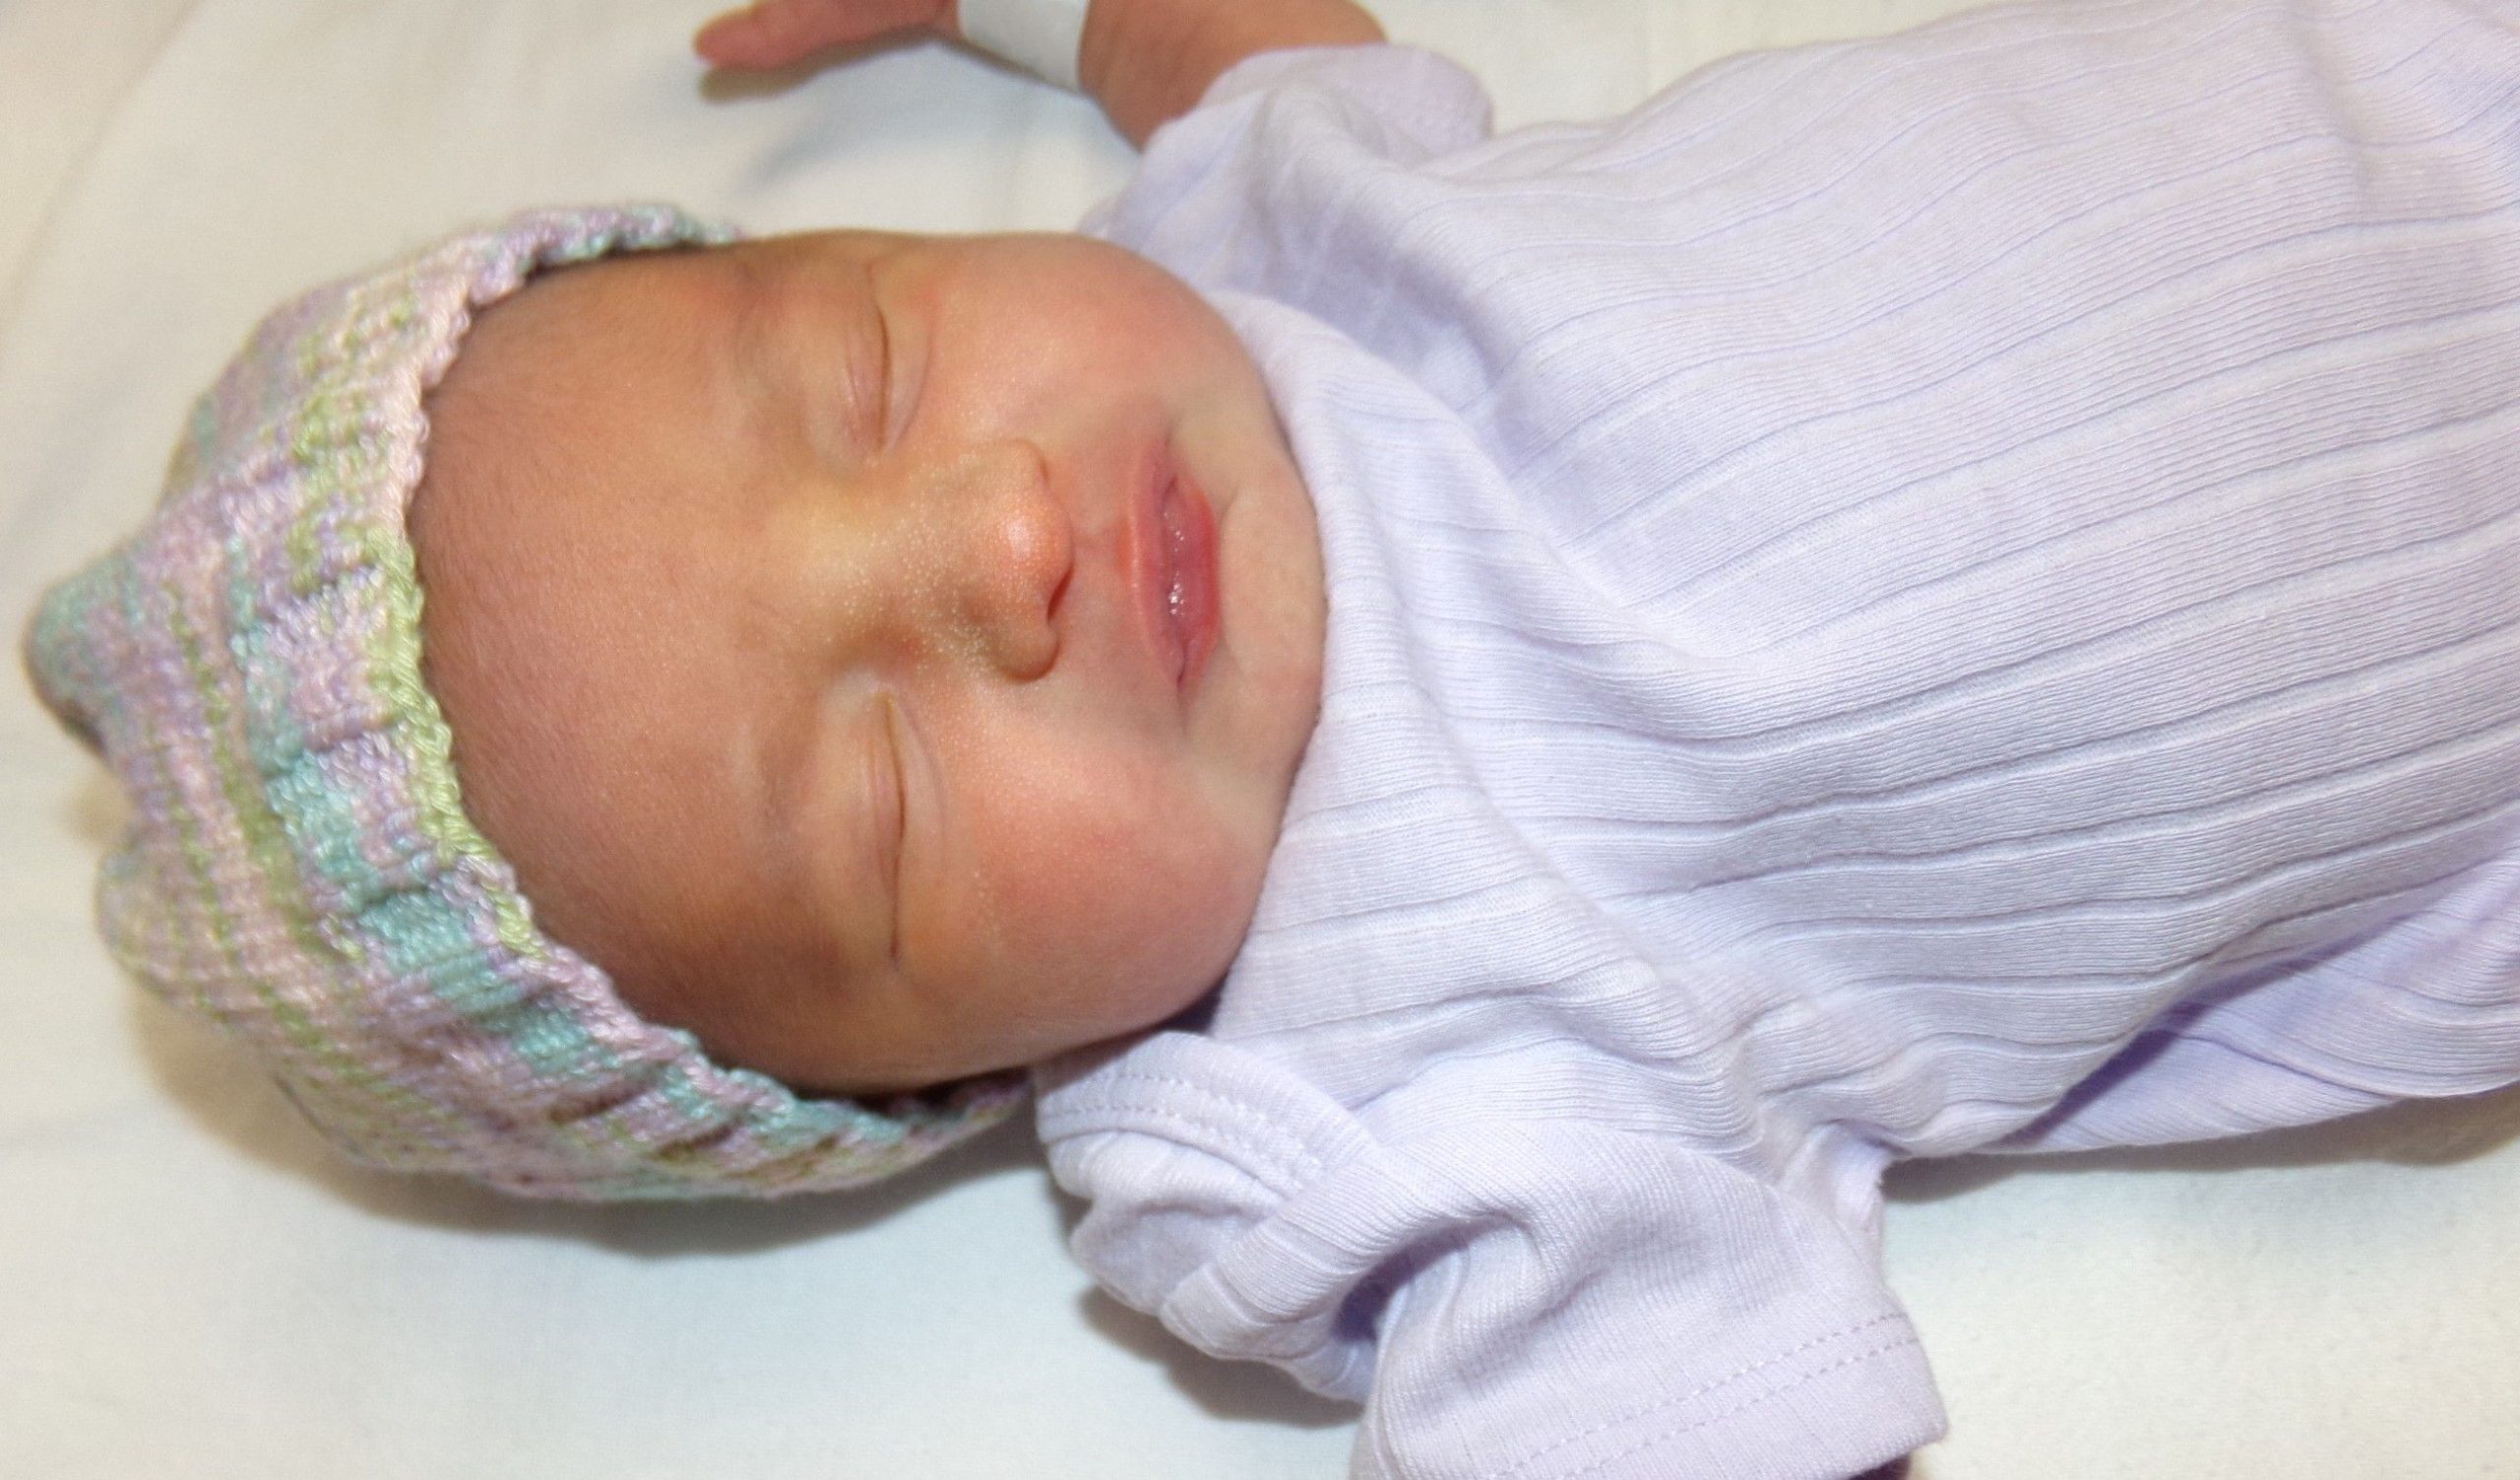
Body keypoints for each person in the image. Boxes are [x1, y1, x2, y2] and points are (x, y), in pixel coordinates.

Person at [25, 0, 2520, 1474]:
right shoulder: (1342, 1089)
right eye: (885, 800)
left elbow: (1194, 29)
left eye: (865, 366)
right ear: (927, 1078)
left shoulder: (1243, 252)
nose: (998, 538)